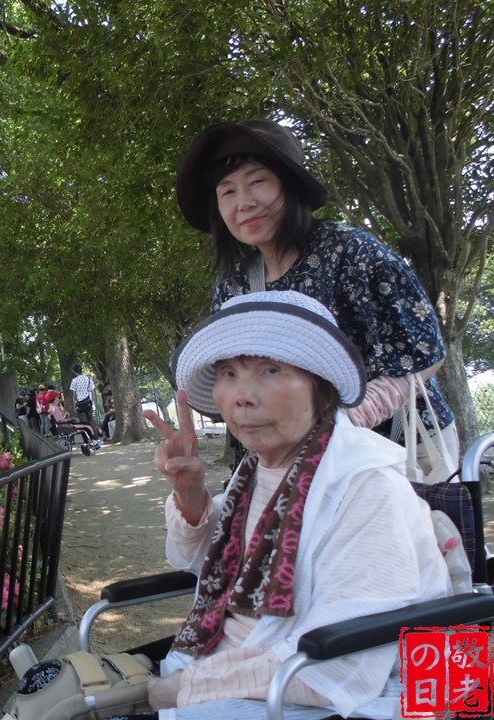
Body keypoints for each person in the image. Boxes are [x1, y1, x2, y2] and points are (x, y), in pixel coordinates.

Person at [136, 291, 451, 718]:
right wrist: (190, 495)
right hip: (219, 664)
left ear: (322, 389)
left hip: (324, 695)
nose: (243, 396)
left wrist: (183, 688)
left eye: (270, 370)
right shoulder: (257, 471)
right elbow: (206, 560)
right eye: (229, 373)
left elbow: (339, 667)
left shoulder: (368, 487)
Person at [176, 119, 457, 471]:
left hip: (402, 448)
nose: (244, 203)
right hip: (298, 458)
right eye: (228, 192)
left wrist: (357, 414)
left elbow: (427, 351)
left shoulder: (353, 252)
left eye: (257, 182)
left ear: (290, 184)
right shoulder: (232, 286)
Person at [69, 364, 98, 430]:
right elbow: (93, 393)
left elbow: (74, 395)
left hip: (80, 404)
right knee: (91, 420)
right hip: (88, 402)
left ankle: (87, 435)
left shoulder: (74, 381)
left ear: (75, 372)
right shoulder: (89, 379)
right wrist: (92, 402)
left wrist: (74, 406)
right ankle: (95, 435)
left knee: (82, 422)